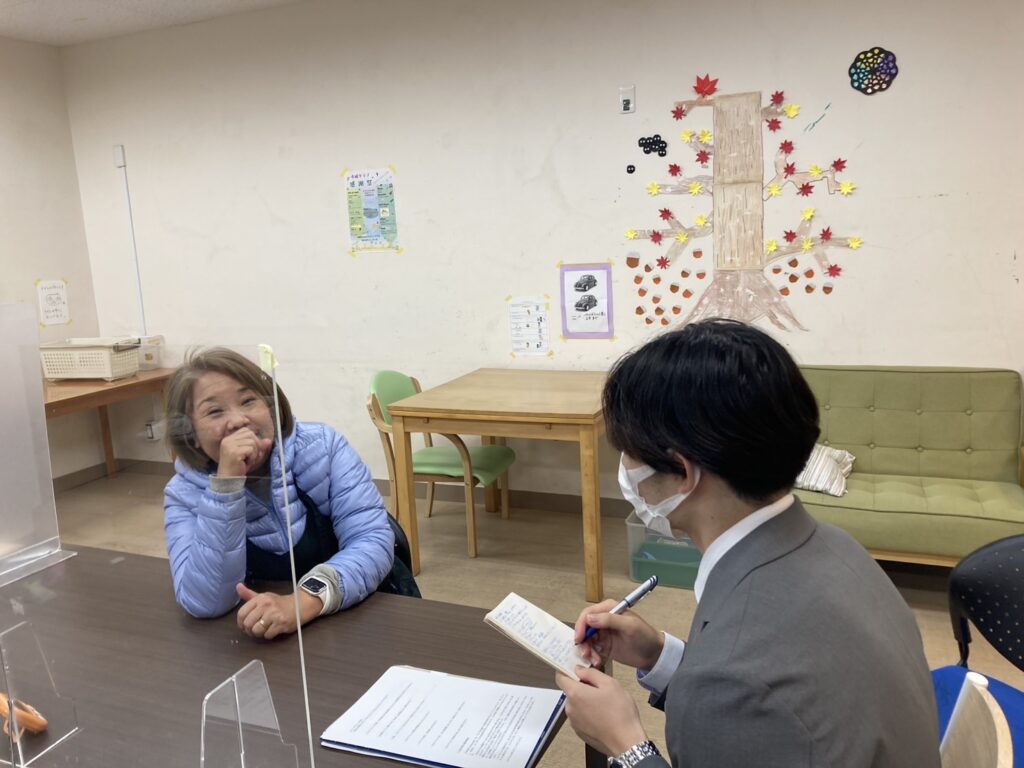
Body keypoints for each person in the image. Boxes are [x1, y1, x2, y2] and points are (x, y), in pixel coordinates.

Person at [557, 319, 940, 768]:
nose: (624, 466)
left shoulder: (732, 675)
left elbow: (743, 690)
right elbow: (766, 707)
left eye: (628, 450)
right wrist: (659, 655)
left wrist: (626, 744)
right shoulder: (840, 549)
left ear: (683, 474)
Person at [163, 347, 394, 639]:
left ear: (270, 407)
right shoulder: (183, 494)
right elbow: (204, 602)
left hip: (356, 613)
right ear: (191, 434)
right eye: (214, 411)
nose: (238, 420)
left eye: (248, 401)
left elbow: (372, 541)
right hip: (261, 635)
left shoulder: (324, 448)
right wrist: (226, 487)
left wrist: (303, 601)